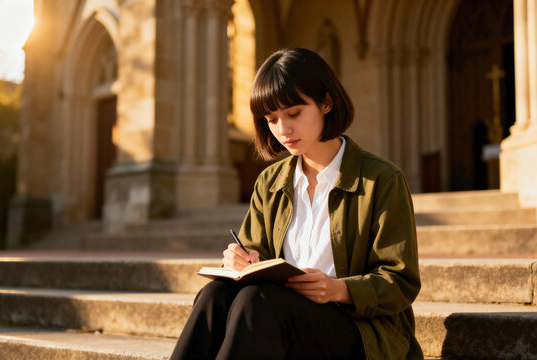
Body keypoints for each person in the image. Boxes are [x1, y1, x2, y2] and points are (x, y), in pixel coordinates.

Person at [171, 48, 423, 360]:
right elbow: (256, 257)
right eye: (272, 119)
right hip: (281, 318)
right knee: (214, 295)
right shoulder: (271, 181)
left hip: (361, 331)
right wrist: (243, 261)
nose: (282, 131)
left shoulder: (381, 179)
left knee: (256, 302)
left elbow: (401, 280)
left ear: (326, 103)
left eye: (293, 114)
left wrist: (338, 290)